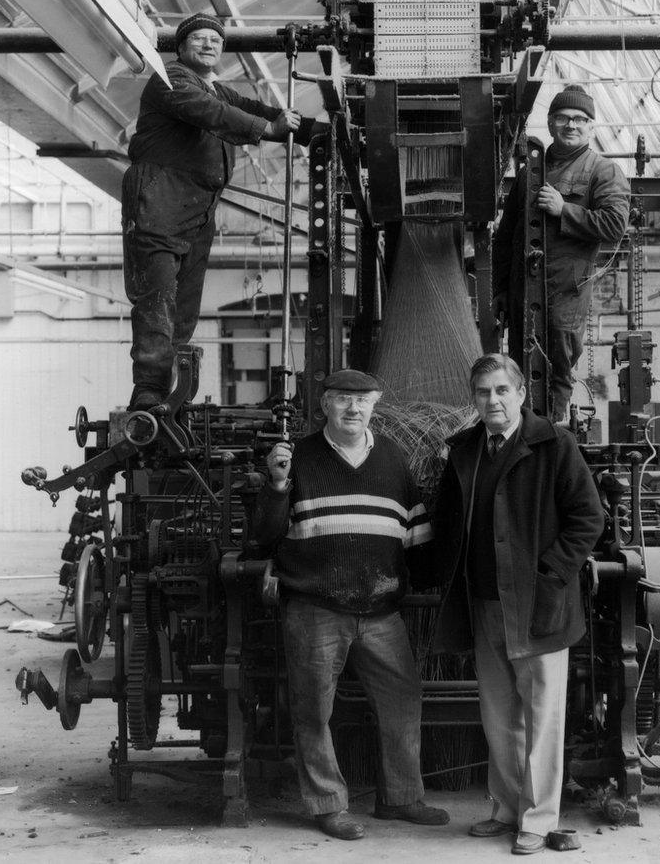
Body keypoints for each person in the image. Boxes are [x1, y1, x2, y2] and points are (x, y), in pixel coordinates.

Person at [255, 368, 449, 841]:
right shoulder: (295, 458)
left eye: (363, 400)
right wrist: (277, 487)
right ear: (324, 406)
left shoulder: (393, 458)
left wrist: (439, 579)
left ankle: (401, 798)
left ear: (376, 405)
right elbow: (264, 538)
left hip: (381, 610)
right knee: (313, 711)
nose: (353, 408)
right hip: (315, 608)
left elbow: (416, 531)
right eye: (342, 399)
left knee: (403, 702)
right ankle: (328, 806)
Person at [432, 354, 604, 855]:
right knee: (498, 714)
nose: (493, 401)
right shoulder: (465, 449)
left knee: (542, 716)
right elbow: (447, 520)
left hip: (537, 606)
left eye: (502, 391)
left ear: (521, 395)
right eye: (483, 393)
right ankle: (506, 809)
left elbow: (588, 519)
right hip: (484, 602)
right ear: (474, 399)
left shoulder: (554, 444)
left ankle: (538, 818)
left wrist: (551, 574)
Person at [122, 12, 315, 410]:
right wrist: (269, 131)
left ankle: (170, 394)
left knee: (184, 307)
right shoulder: (170, 79)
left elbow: (254, 108)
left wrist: (312, 131)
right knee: (157, 300)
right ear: (180, 48)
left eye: (216, 39)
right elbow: (211, 114)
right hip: (160, 202)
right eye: (200, 39)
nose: (210, 44)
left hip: (197, 209)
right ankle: (148, 392)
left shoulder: (218, 90)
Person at [493, 84, 630, 422]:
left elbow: (614, 225)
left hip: (565, 291)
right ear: (552, 122)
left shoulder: (603, 171)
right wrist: (499, 289)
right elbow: (505, 236)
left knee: (556, 366)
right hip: (522, 289)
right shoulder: (528, 174)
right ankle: (519, 433)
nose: (572, 125)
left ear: (590, 126)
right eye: (564, 118)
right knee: (519, 365)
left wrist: (563, 209)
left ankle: (552, 436)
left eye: (580, 119)